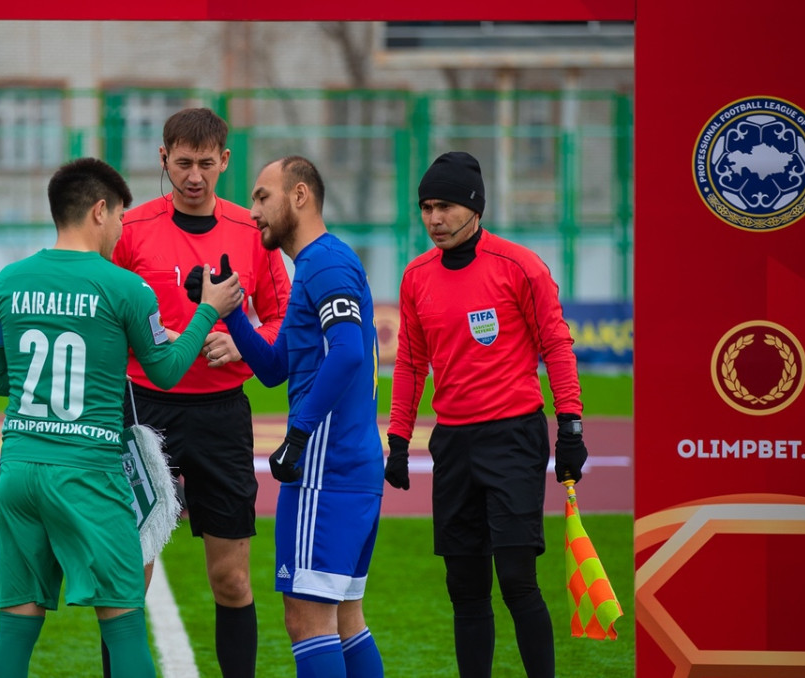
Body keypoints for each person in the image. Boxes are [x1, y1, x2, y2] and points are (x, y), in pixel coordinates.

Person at [0, 157, 244, 678]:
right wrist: (207, 310)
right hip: (89, 474)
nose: (121, 227)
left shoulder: (6, 282)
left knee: (17, 627)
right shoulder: (126, 288)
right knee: (122, 624)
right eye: (119, 215)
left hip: (19, 470)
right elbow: (164, 372)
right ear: (100, 210)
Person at [384, 151, 589, 678]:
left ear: (474, 206)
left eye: (445, 206)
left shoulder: (520, 266)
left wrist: (570, 426)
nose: (434, 218)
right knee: (465, 586)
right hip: (453, 443)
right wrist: (400, 440)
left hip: (513, 438)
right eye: (426, 207)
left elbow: (558, 346)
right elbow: (410, 362)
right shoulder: (416, 277)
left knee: (517, 578)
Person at [110, 107, 291, 677]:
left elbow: (286, 318)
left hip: (222, 415)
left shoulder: (250, 231)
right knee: (127, 578)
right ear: (162, 158)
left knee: (231, 579)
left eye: (206, 164)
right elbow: (104, 314)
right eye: (182, 163)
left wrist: (245, 345)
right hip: (143, 413)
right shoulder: (130, 230)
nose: (194, 176)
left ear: (225, 162)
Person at [214, 156, 386, 677]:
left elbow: (349, 352)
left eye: (262, 197)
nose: (253, 211)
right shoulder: (311, 267)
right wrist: (233, 313)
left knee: (307, 620)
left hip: (326, 473)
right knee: (344, 620)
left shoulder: (327, 263)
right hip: (347, 468)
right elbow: (274, 367)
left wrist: (298, 434)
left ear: (300, 195)